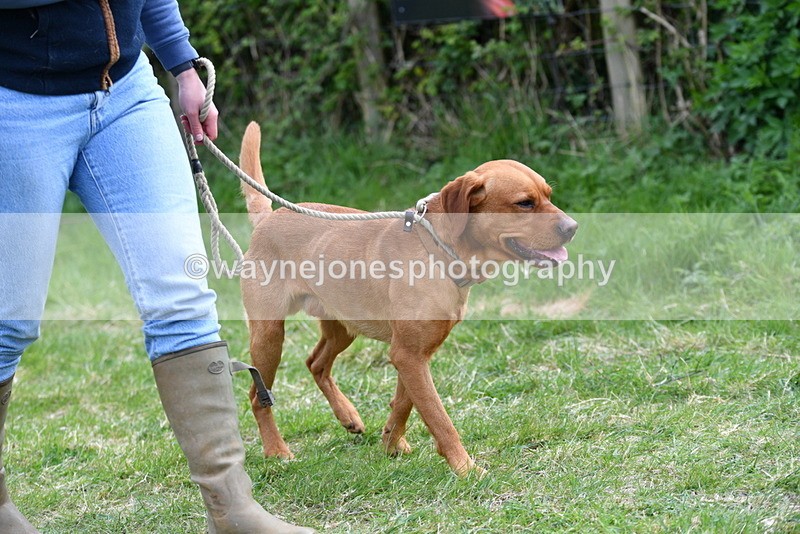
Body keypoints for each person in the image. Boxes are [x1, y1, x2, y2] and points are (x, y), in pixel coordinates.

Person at [0, 0, 312, 532]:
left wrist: (181, 63)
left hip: (126, 95)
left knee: (184, 297)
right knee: (8, 323)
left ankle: (233, 511)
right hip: (16, 104)